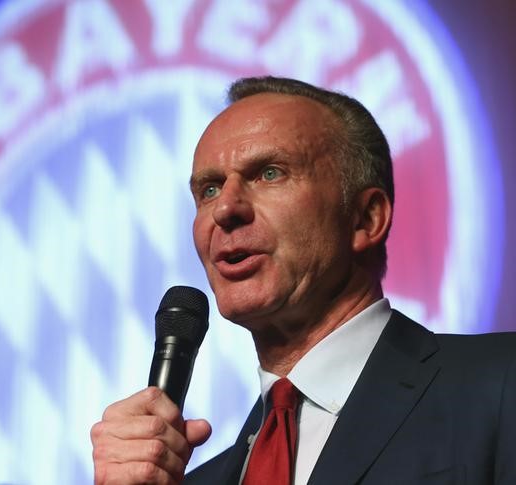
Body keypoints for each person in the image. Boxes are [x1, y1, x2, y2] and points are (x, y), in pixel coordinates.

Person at [90, 76, 516, 484]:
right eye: (209, 189)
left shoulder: (499, 386)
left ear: (366, 218)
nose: (225, 209)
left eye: (270, 173)